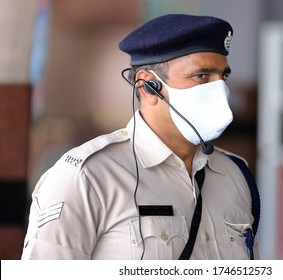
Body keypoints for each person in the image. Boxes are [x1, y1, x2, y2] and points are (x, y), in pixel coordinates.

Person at [21, 13, 260, 260]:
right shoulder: (87, 177)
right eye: (202, 76)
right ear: (148, 86)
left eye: (224, 76)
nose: (219, 89)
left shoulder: (236, 174)